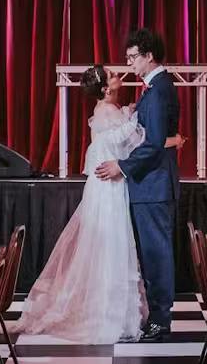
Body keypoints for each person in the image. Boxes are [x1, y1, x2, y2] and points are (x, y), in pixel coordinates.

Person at [21, 65, 184, 343]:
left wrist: (133, 113)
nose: (118, 73)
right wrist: (173, 140)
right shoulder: (108, 113)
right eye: (111, 74)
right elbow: (140, 142)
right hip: (109, 188)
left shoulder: (113, 111)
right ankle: (111, 314)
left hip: (111, 186)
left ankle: (115, 311)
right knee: (113, 246)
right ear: (106, 89)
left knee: (113, 246)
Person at [96, 28, 179, 342]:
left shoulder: (157, 90)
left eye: (133, 57)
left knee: (157, 254)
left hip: (154, 185)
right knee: (152, 253)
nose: (129, 63)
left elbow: (155, 143)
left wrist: (122, 165)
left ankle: (160, 320)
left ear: (149, 56)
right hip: (151, 184)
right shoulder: (155, 88)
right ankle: (157, 318)